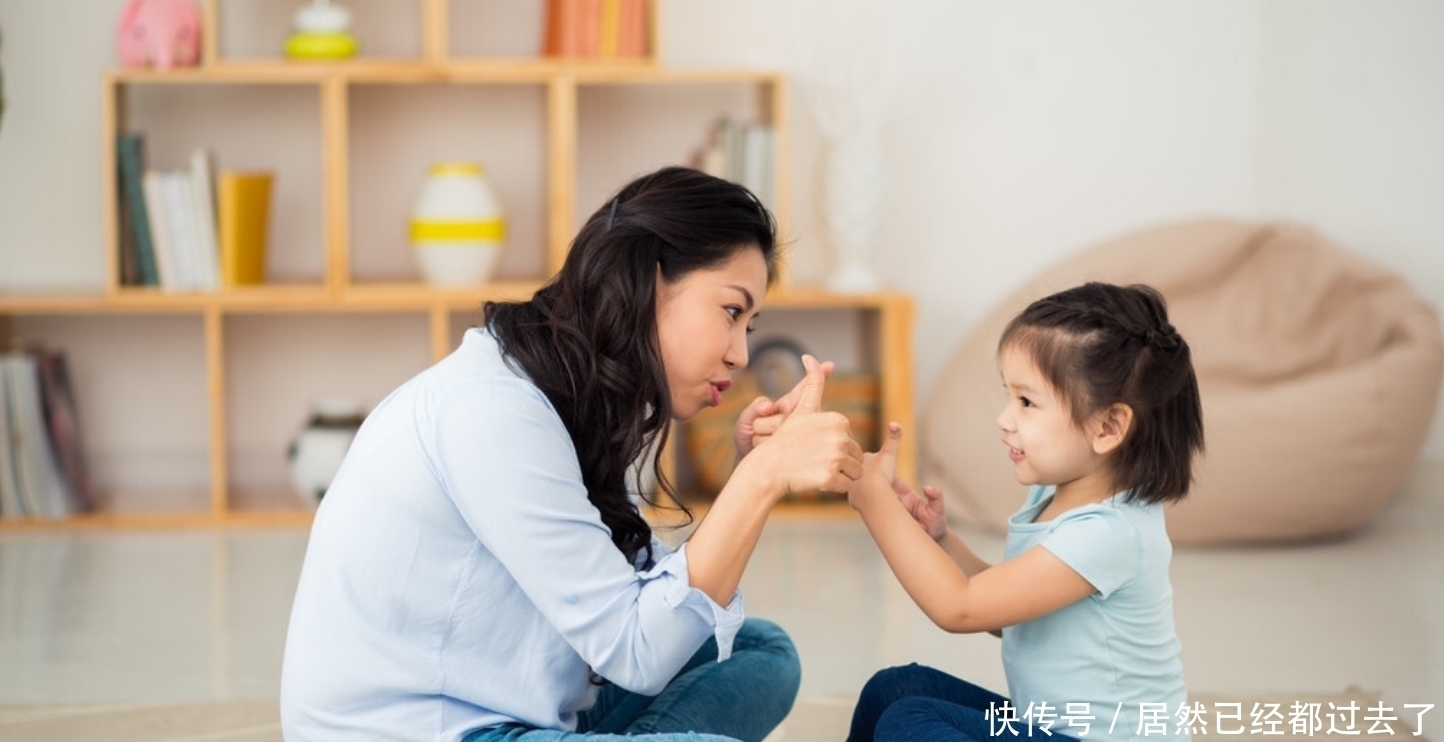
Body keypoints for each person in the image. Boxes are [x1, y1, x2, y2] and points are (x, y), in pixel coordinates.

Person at [279, 166, 866, 742]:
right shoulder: (493, 410)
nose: (740, 355)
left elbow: (641, 606)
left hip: (511, 697)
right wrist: (760, 479)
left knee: (761, 652)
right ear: (652, 283)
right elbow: (637, 651)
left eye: (751, 328)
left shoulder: (569, 393)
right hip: (424, 727)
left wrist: (748, 475)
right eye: (732, 312)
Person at [847, 282, 1205, 742]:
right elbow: (1010, 609)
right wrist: (942, 542)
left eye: (1027, 402)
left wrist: (875, 504)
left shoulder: (1111, 532)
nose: (1005, 418)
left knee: (909, 722)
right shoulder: (1053, 500)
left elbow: (960, 609)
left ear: (1109, 426)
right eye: (1009, 396)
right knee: (894, 691)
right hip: (1048, 731)